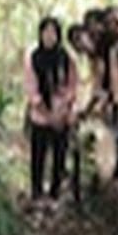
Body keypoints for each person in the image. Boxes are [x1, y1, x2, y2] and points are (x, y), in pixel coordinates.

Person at [24, 17, 78, 202]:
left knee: (59, 156)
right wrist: (47, 113)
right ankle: (37, 192)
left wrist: (63, 111)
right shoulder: (33, 57)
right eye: (45, 32)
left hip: (63, 115)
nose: (49, 36)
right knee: (38, 155)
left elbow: (72, 85)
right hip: (41, 116)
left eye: (53, 32)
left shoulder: (67, 58)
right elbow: (32, 89)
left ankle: (55, 193)